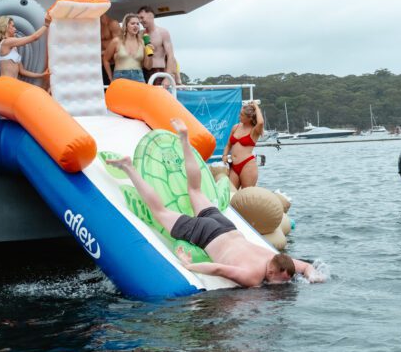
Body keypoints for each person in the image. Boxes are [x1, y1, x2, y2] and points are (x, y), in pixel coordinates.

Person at [107, 119, 323, 287]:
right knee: (159, 212)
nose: (282, 285)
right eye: (280, 282)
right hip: (206, 232)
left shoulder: (278, 260)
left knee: (194, 190)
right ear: (270, 273)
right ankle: (128, 167)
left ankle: (184, 139)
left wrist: (313, 275)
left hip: (225, 226)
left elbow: (305, 267)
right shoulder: (252, 276)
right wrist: (189, 264)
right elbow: (219, 269)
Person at [0, 14, 51, 80]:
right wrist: (46, 25)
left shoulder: (13, 47)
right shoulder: (6, 42)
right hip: (6, 83)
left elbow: (22, 71)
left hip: (13, 83)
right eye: (12, 26)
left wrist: (41, 75)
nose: (15, 29)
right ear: (5, 27)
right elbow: (34, 37)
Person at [222, 101, 265, 189]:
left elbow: (260, 122)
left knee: (246, 196)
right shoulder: (236, 127)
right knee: (231, 195)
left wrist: (256, 106)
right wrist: (224, 155)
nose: (239, 116)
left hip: (247, 165)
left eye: (241, 115)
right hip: (233, 166)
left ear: (249, 118)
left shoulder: (255, 130)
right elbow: (228, 145)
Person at [103, 13, 152, 83]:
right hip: (120, 77)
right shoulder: (116, 41)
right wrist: (110, 78)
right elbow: (105, 59)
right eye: (132, 23)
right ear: (126, 25)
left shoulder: (142, 42)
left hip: (138, 77)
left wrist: (150, 54)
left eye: (138, 24)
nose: (136, 26)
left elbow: (148, 67)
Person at [137, 5, 176, 85]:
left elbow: (170, 56)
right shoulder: (140, 34)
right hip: (142, 72)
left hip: (158, 72)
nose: (140, 21)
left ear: (151, 15)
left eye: (142, 17)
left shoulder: (163, 32)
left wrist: (167, 77)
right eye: (139, 19)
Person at [99, 1, 121, 86]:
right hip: (101, 64)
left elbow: (119, 46)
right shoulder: (95, 25)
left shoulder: (113, 24)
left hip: (113, 64)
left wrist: (103, 52)